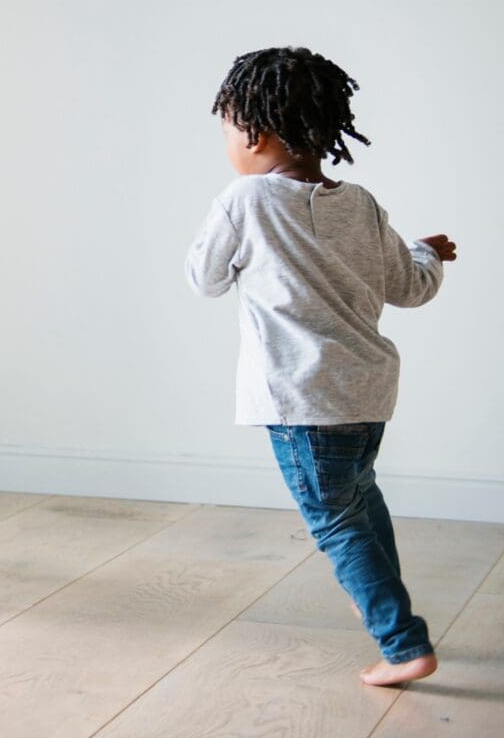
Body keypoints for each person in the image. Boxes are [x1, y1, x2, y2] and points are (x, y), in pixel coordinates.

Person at [186, 46, 455, 687]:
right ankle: (404, 626)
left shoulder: (243, 200)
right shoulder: (359, 203)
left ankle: (403, 644)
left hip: (300, 401)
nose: (226, 143)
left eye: (226, 127)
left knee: (336, 523)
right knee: (361, 502)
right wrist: (428, 252)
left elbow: (205, 279)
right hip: (367, 395)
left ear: (258, 132)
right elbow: (411, 287)